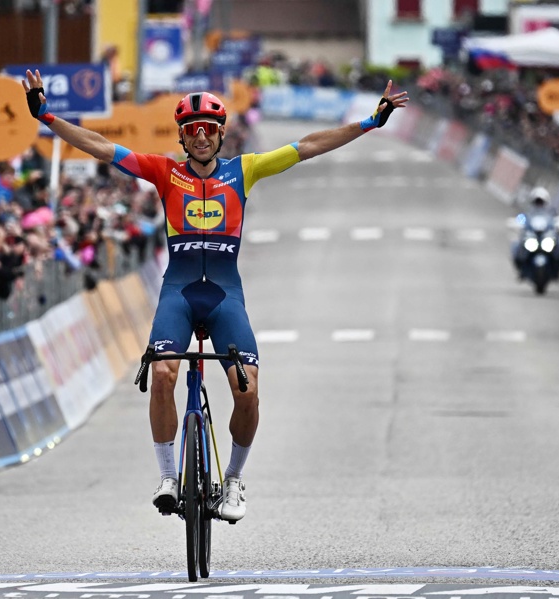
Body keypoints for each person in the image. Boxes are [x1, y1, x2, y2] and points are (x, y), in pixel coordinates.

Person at [22, 69, 408, 521]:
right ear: (183, 137)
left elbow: (306, 147)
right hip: (179, 293)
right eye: (192, 130)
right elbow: (101, 146)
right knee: (163, 374)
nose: (201, 136)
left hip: (225, 295)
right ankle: (168, 476)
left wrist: (368, 123)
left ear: (222, 133)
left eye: (209, 129)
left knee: (248, 390)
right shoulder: (163, 172)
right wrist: (47, 116)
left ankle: (235, 482)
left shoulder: (244, 170)